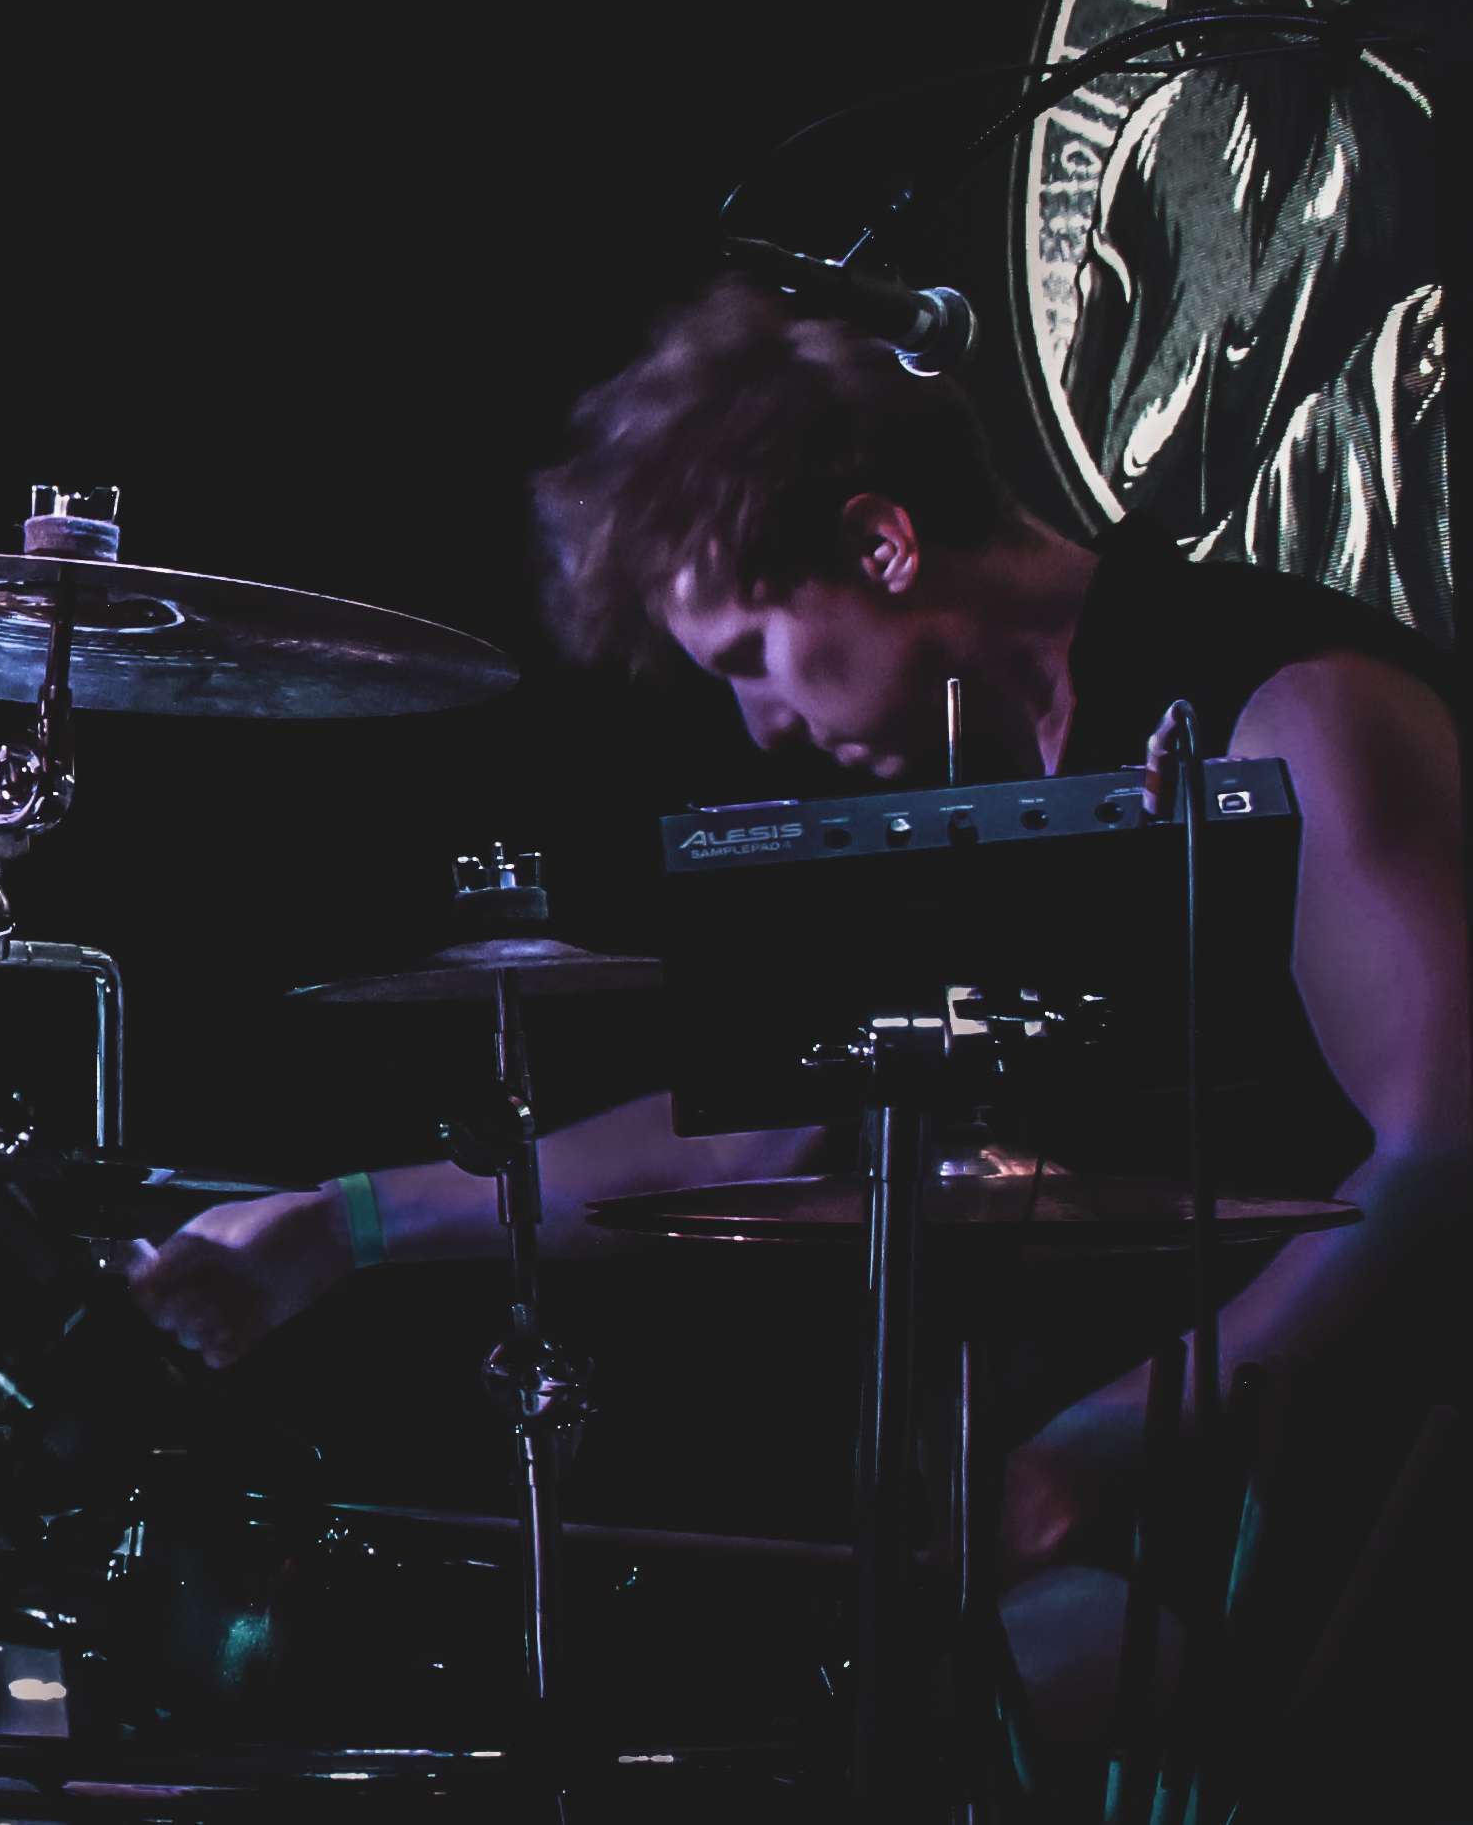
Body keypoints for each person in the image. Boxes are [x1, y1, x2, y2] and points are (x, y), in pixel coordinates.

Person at [124, 279, 1462, 1761]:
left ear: (880, 543)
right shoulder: (972, 788)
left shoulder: (1293, 705)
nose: (758, 727)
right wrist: (342, 1223)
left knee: (897, 1744)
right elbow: (767, 1128)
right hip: (1148, 1509)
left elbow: (1443, 1156)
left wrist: (1109, 1442)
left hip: (1351, 1519)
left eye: (748, 657)